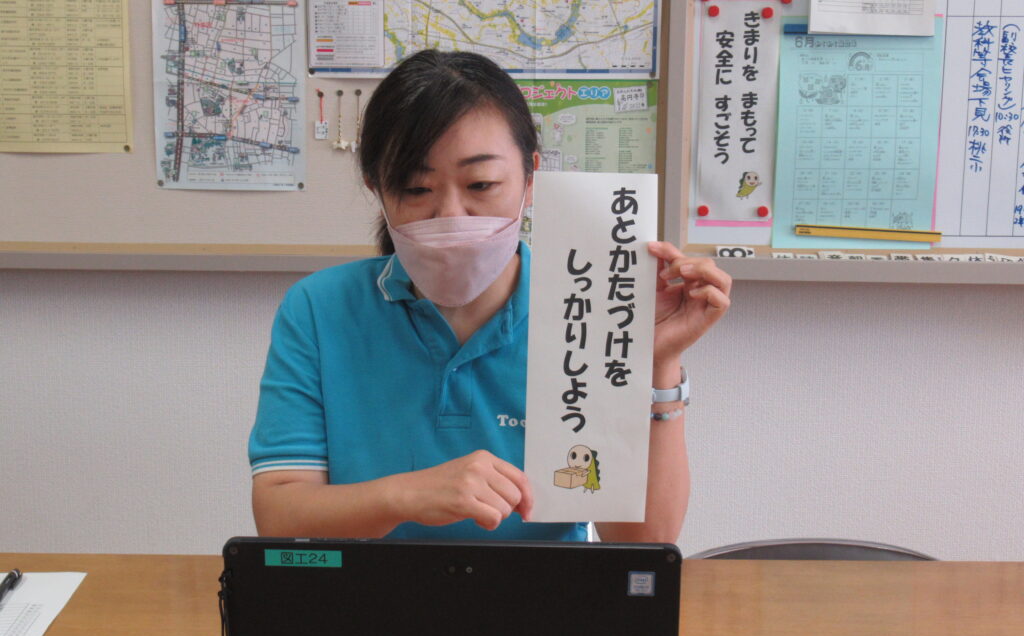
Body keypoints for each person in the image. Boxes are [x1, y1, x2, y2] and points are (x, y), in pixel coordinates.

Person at [249, 50, 731, 544]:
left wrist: (656, 363)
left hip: (546, 589)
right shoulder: (320, 309)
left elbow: (643, 543)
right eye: (415, 189)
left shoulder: (586, 310)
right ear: (377, 188)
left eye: (481, 184)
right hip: (366, 590)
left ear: (530, 179)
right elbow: (279, 515)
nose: (450, 215)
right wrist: (405, 495)